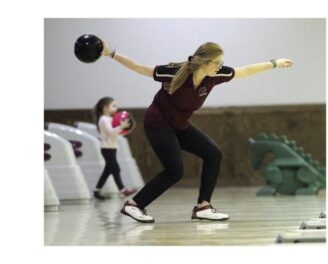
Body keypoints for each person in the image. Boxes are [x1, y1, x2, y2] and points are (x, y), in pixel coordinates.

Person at [100, 41, 293, 223]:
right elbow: (138, 67)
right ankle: (134, 205)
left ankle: (203, 207)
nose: (220, 66)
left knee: (213, 154)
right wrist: (111, 54)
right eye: (217, 62)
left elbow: (244, 71)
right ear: (204, 62)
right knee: (175, 171)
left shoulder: (215, 75)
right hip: (157, 125)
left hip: (180, 125)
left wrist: (274, 63)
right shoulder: (174, 72)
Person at [92, 97, 138, 200]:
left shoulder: (111, 119)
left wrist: (126, 128)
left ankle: (96, 191)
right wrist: (121, 127)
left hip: (112, 148)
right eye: (113, 105)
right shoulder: (103, 119)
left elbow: (116, 132)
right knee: (116, 169)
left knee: (107, 171)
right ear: (105, 108)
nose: (116, 108)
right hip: (106, 148)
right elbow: (110, 132)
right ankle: (123, 190)